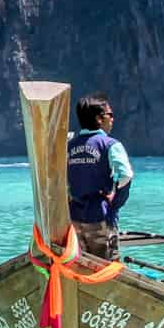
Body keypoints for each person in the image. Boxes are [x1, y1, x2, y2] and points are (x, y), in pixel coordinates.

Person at [66, 92, 134, 261]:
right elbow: (126, 176)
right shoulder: (110, 145)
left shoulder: (68, 146)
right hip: (100, 216)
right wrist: (116, 203)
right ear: (99, 119)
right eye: (110, 115)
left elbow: (61, 180)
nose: (113, 119)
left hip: (74, 219)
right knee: (107, 269)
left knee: (81, 266)